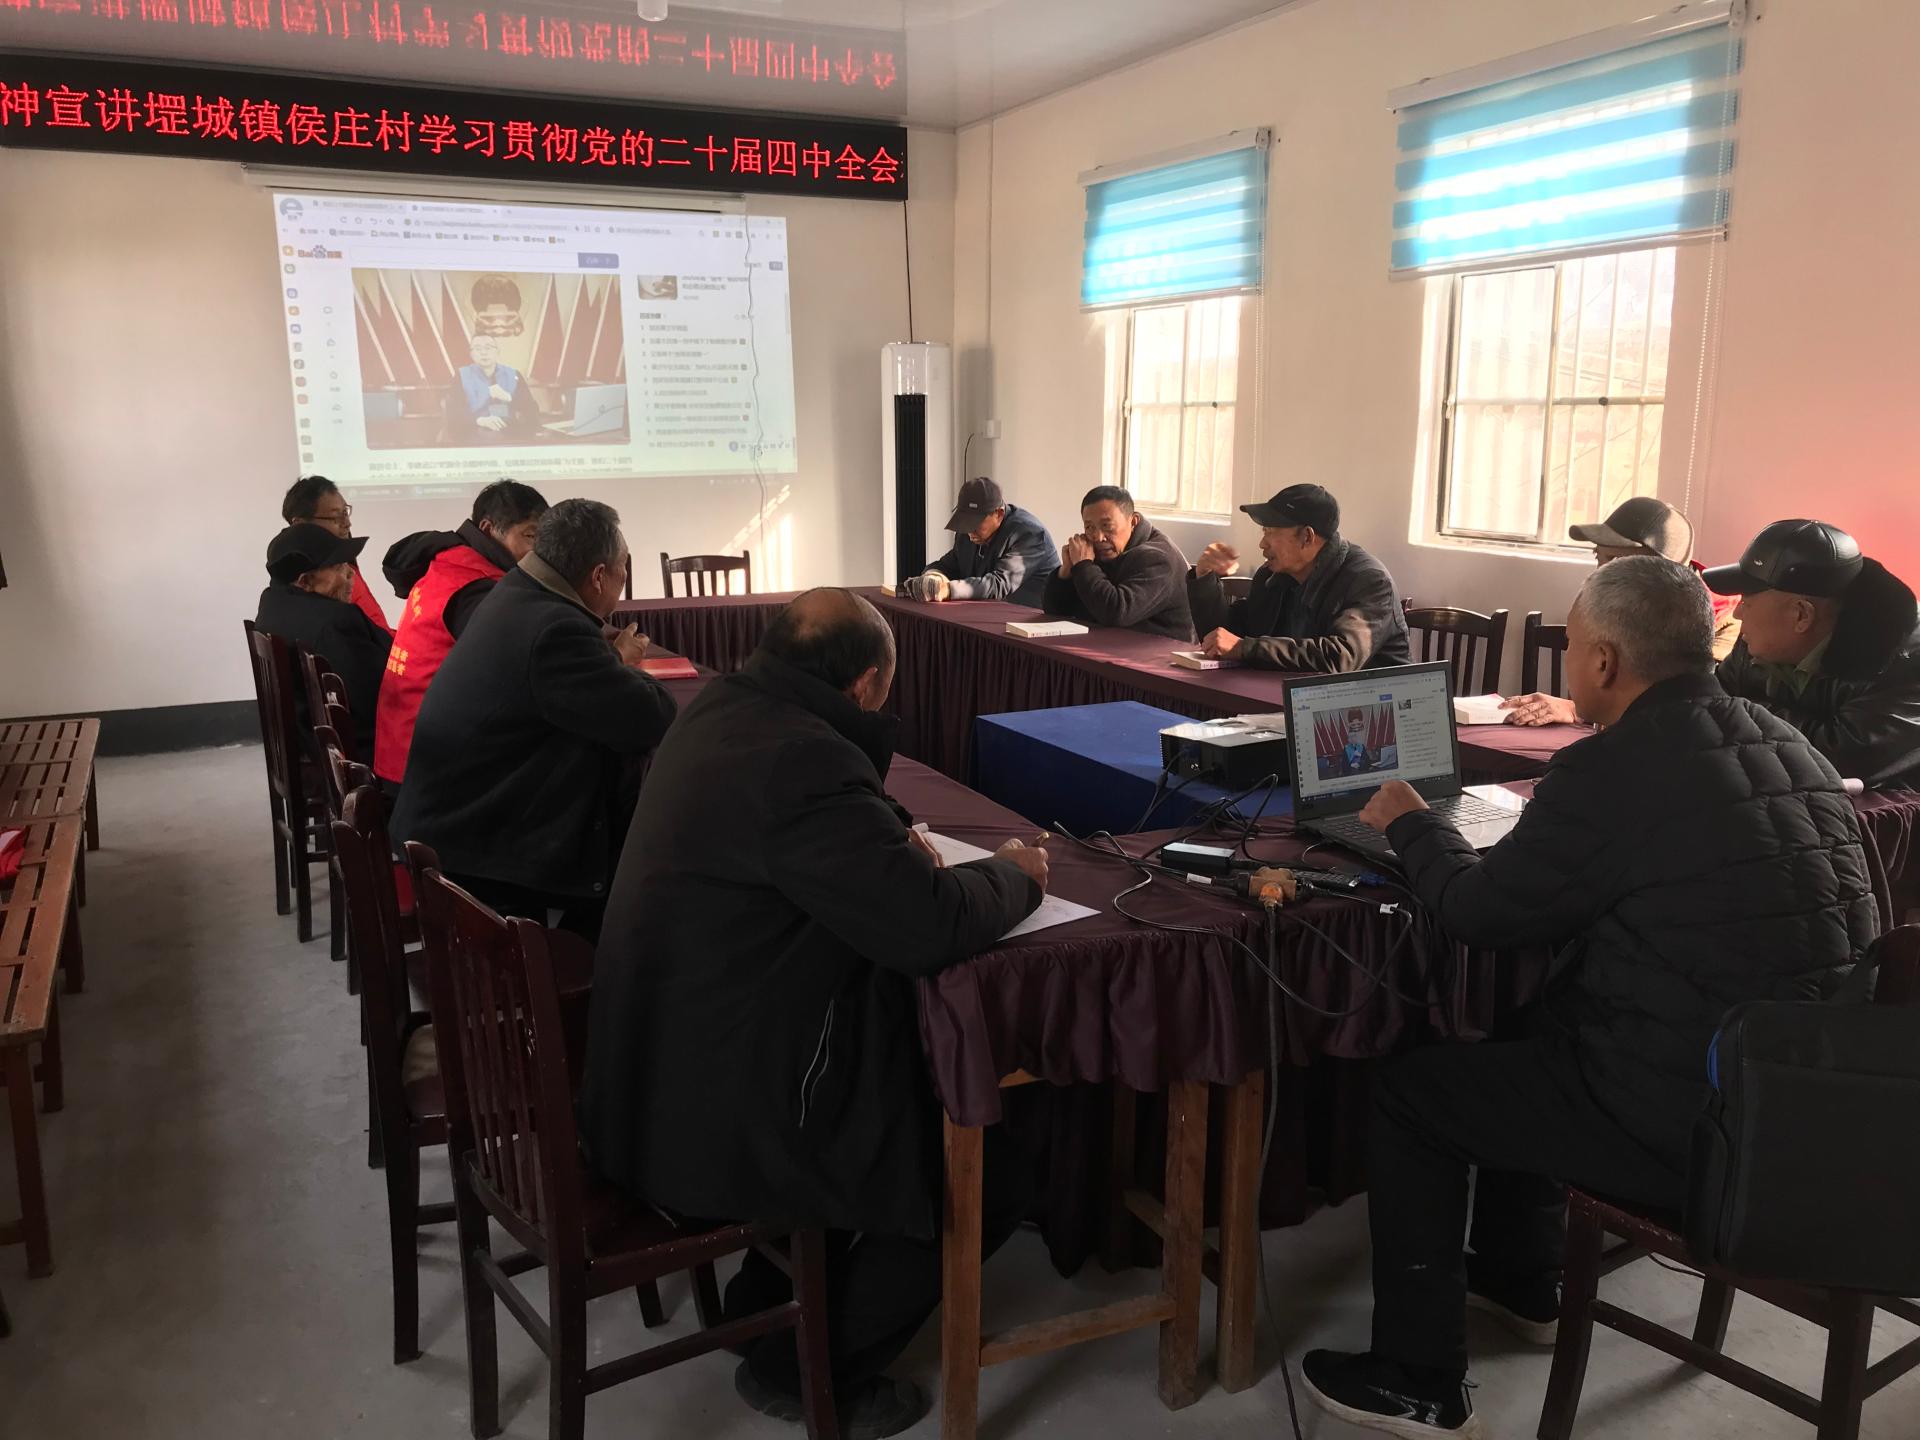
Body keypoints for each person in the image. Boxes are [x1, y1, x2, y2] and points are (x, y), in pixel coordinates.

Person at [1297, 556, 1877, 1438]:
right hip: (1812, 1106)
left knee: (1415, 1094)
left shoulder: (1614, 766)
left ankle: (1418, 1379)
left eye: (1571, 648)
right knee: (1531, 1026)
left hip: (1703, 1129)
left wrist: (1413, 823)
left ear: (1603, 660)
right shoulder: (1784, 739)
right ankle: (1522, 1280)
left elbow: (1480, 915)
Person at [580, 589, 1048, 1438]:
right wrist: (1016, 874)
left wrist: (884, 838)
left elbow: (815, 844)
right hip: (721, 1104)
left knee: (887, 1082)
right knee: (988, 1165)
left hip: (654, 1061)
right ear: (866, 684)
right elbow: (927, 927)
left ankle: (763, 1304)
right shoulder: (803, 760)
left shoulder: (723, 707)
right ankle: (805, 1372)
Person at [391, 499, 675, 936]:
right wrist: (625, 668)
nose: (622, 582)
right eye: (623, 571)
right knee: (647, 868)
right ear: (599, 575)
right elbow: (650, 716)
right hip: (475, 855)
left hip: (449, 825)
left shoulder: (515, 590)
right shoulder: (555, 630)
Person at [1705, 519, 1920, 789]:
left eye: (1746, 602)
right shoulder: (1758, 640)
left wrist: (1742, 710)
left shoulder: (1907, 661)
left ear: (1801, 615)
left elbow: (1838, 759)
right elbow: (1710, 705)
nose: (1737, 613)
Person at [372, 479, 550, 788]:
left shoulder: (451, 564)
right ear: (488, 529)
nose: (538, 551)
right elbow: (522, 668)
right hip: (427, 768)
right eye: (530, 536)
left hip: (406, 748)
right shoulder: (473, 587)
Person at [1504, 496, 1740, 726]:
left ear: (1660, 567)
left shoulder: (1727, 618)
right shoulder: (1613, 605)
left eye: (1614, 560)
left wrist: (1573, 709)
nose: (1600, 573)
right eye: (1599, 557)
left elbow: (1690, 706)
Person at [1188, 483, 1410, 670]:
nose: (1262, 544)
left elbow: (1340, 656)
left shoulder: (1368, 580)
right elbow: (1223, 638)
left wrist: (1246, 648)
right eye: (1264, 532)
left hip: (1371, 705)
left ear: (1307, 537)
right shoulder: (1272, 577)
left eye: (1271, 532)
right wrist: (1204, 578)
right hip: (1290, 699)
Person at [254, 522, 393, 761]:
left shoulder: (272, 603)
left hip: (312, 740)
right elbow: (381, 697)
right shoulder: (336, 622)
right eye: (338, 567)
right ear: (305, 582)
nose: (350, 574)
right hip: (357, 753)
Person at [1040, 485, 1194, 639]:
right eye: (1090, 527)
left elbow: (1116, 612)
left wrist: (1084, 566)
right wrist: (1066, 572)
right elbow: (1055, 610)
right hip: (1111, 643)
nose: (1098, 537)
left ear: (1133, 522)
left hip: (1161, 650)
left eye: (1107, 526)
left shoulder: (1159, 558)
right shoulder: (1099, 551)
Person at [901, 477, 1059, 607]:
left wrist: (947, 589)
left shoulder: (1029, 534)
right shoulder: (968, 534)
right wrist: (934, 577)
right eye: (965, 522)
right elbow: (949, 565)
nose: (970, 531)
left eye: (976, 523)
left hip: (1033, 622)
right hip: (990, 617)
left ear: (999, 514)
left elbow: (999, 584)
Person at [280, 474, 392, 634]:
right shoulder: (323, 578)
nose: (347, 523)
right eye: (336, 517)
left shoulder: (342, 563)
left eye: (345, 513)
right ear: (300, 524)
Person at [449, 333, 541, 442]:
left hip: (509, 432)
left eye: (488, 348)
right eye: (478, 349)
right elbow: (453, 413)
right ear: (471, 354)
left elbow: (532, 411)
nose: (483, 352)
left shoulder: (513, 374)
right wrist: (479, 420)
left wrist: (510, 398)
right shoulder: (461, 376)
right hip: (474, 432)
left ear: (497, 352)